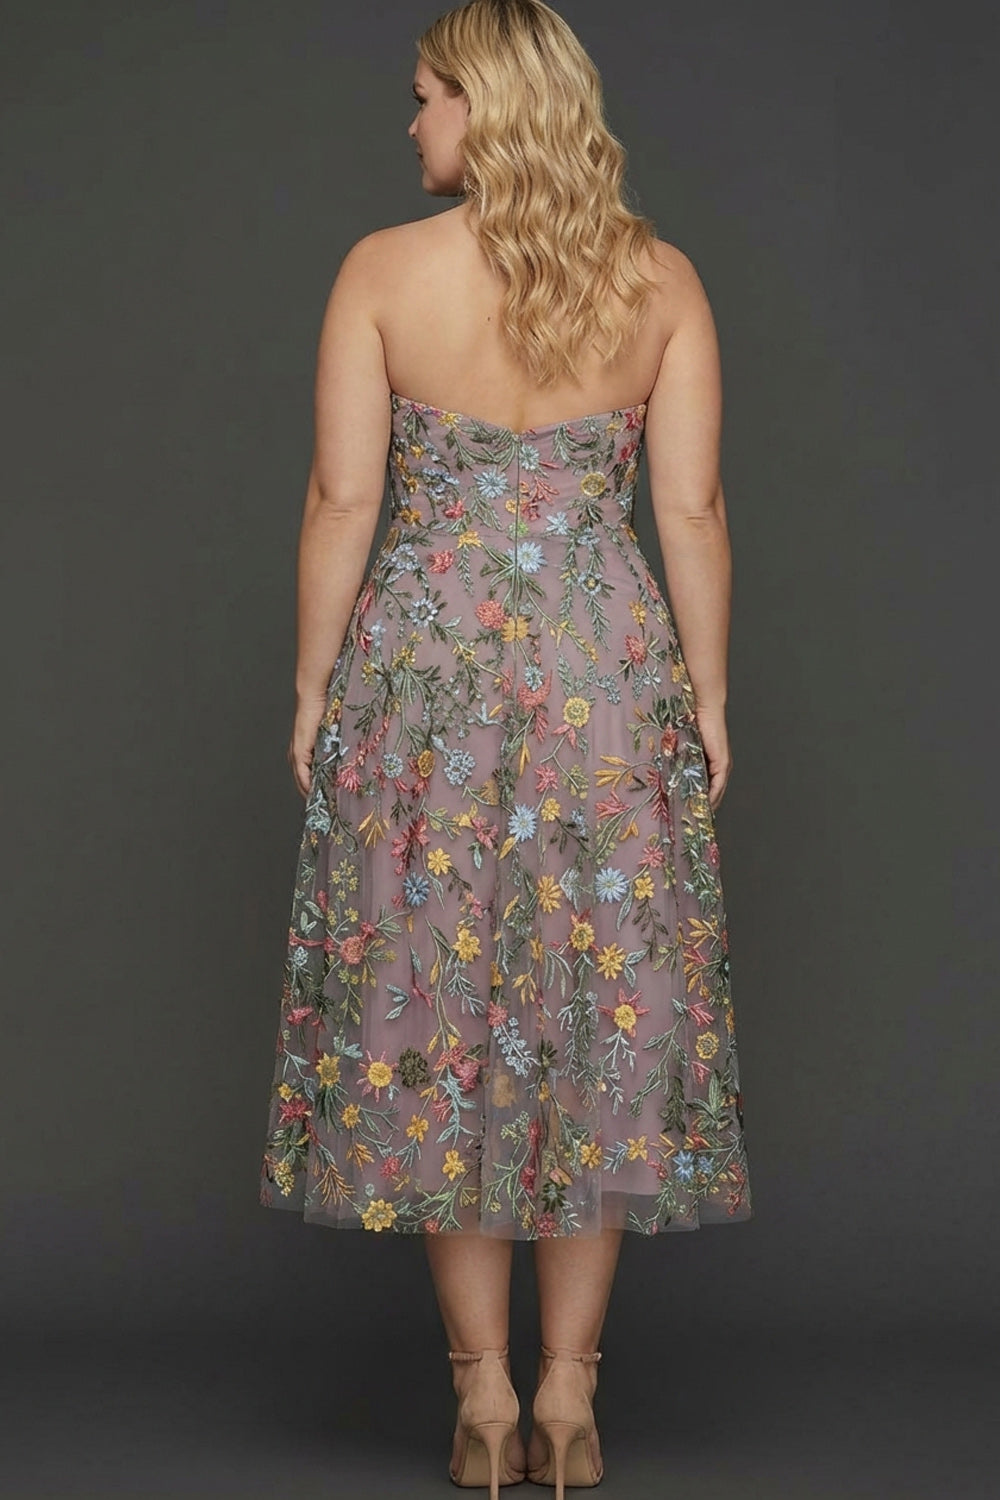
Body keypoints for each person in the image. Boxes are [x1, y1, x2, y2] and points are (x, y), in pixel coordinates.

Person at [259, 2, 753, 1494]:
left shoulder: (382, 273)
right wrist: (708, 697)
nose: (411, 122)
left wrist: (312, 683)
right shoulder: (660, 281)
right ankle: (569, 1394)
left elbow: (345, 499)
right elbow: (690, 511)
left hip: (425, 681)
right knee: (595, 1021)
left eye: (425, 96)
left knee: (440, 1020)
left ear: (483, 105)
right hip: (606, 679)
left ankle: (481, 1399)